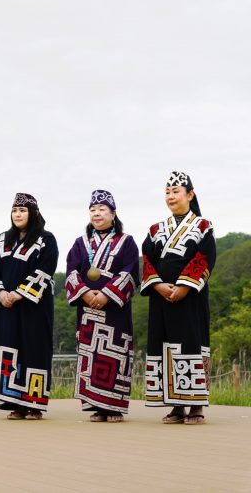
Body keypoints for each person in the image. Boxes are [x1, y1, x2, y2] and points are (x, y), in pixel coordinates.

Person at [141, 172, 215, 425]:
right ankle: (176, 406)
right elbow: (147, 259)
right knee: (166, 345)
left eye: (176, 192)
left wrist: (184, 286)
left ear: (190, 195)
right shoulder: (156, 229)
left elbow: (204, 258)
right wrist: (158, 285)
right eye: (167, 192)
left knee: (191, 343)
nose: (170, 196)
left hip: (190, 296)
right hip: (161, 297)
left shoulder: (203, 226)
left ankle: (196, 406)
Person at [65, 190, 139, 422]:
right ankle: (96, 405)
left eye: (102, 210)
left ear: (113, 214)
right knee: (91, 355)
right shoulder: (80, 243)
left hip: (115, 309)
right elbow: (71, 271)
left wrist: (107, 294)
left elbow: (130, 271)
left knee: (114, 353)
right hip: (88, 309)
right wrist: (86, 293)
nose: (96, 214)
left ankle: (114, 406)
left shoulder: (127, 242)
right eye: (93, 210)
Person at [0, 193, 58, 420]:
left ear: (34, 213)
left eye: (23, 210)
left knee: (34, 349)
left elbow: (46, 269)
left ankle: (34, 403)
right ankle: (14, 402)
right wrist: (1, 292)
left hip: (34, 306)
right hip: (6, 306)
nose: (17, 214)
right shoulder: (0, 240)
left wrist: (19, 293)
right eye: (14, 210)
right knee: (9, 348)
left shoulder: (47, 239)